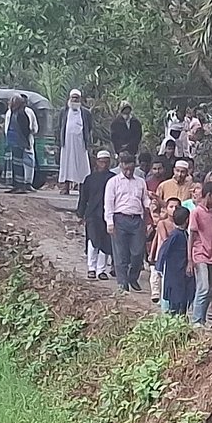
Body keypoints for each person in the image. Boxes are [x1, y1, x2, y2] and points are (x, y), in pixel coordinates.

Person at [104, 151, 148, 291]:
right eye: (126, 169)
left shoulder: (140, 182)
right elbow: (109, 203)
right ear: (121, 166)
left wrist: (151, 205)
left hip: (136, 219)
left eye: (131, 169)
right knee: (120, 253)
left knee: (137, 252)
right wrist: (110, 222)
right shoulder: (113, 182)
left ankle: (133, 277)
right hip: (120, 219)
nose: (128, 172)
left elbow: (145, 199)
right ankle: (122, 281)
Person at [188, 179, 212, 326]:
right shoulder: (196, 212)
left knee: (211, 290)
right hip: (200, 254)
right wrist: (190, 259)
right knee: (203, 288)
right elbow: (191, 236)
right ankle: (196, 320)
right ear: (209, 195)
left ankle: (202, 319)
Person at [76, 149, 115, 281]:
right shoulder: (89, 179)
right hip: (92, 214)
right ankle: (91, 268)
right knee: (93, 240)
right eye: (101, 162)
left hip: (107, 214)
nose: (104, 164)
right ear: (97, 162)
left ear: (109, 162)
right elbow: (83, 198)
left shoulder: (113, 178)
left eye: (106, 162)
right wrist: (80, 214)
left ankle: (101, 270)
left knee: (105, 242)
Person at [55, 89, 94, 195]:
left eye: (77, 98)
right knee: (66, 165)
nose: (75, 100)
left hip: (80, 144)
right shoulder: (64, 111)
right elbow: (60, 126)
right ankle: (65, 187)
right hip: (67, 144)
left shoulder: (85, 112)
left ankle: (82, 188)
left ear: (80, 99)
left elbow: (89, 127)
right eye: (73, 97)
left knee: (82, 165)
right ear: (69, 98)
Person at [155, 206, 193, 315]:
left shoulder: (184, 234)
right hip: (174, 272)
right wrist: (159, 267)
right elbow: (164, 249)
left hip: (182, 272)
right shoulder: (176, 235)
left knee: (184, 296)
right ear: (187, 220)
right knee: (176, 299)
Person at [6, 94, 38, 192]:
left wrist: (26, 142)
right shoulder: (13, 112)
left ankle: (22, 185)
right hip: (13, 142)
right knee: (16, 164)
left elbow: (26, 130)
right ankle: (17, 185)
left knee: (21, 164)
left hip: (20, 142)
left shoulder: (21, 114)